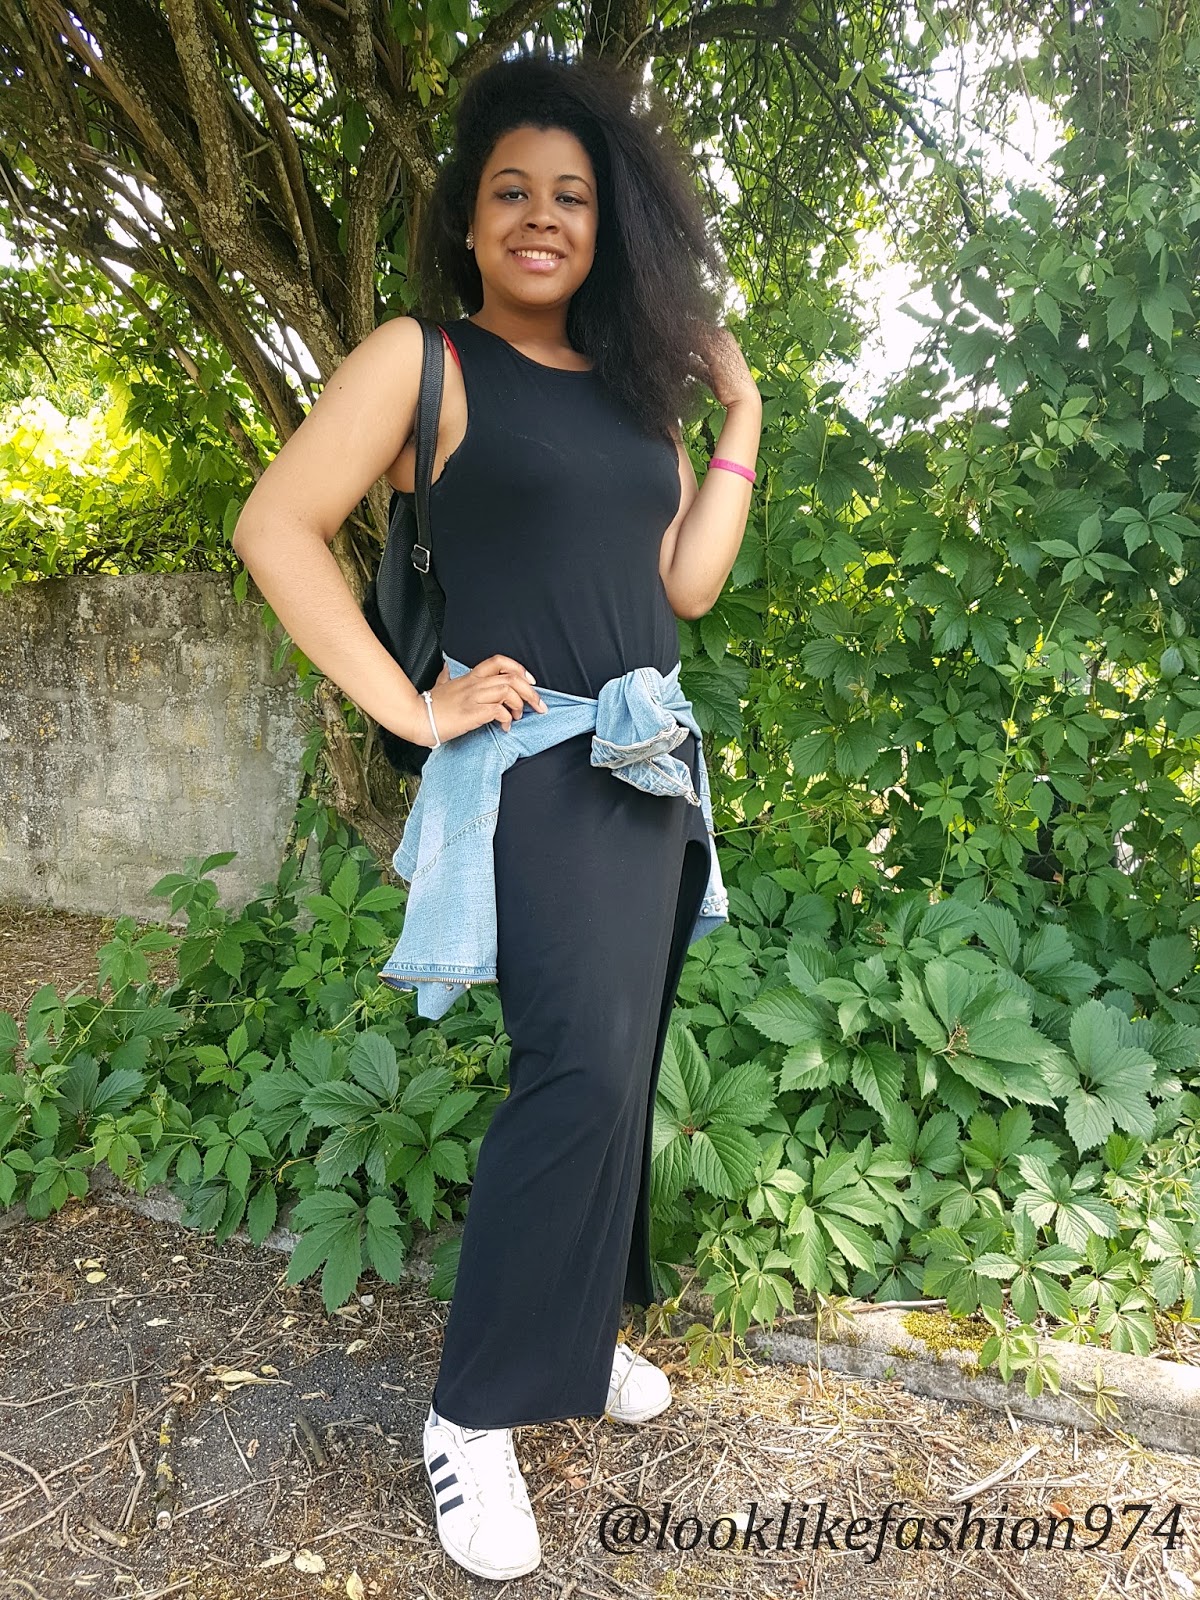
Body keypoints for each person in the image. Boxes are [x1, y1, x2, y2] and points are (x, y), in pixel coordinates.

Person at [232, 48, 762, 1582]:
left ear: (609, 226)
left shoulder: (632, 393)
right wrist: (415, 708)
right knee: (576, 1073)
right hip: (536, 772)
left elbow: (684, 584)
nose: (542, 217)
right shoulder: (425, 361)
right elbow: (277, 526)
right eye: (512, 192)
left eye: (572, 196)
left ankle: (572, 1336)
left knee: (621, 1067)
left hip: (652, 774)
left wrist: (740, 405)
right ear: (468, 217)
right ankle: (471, 1414)